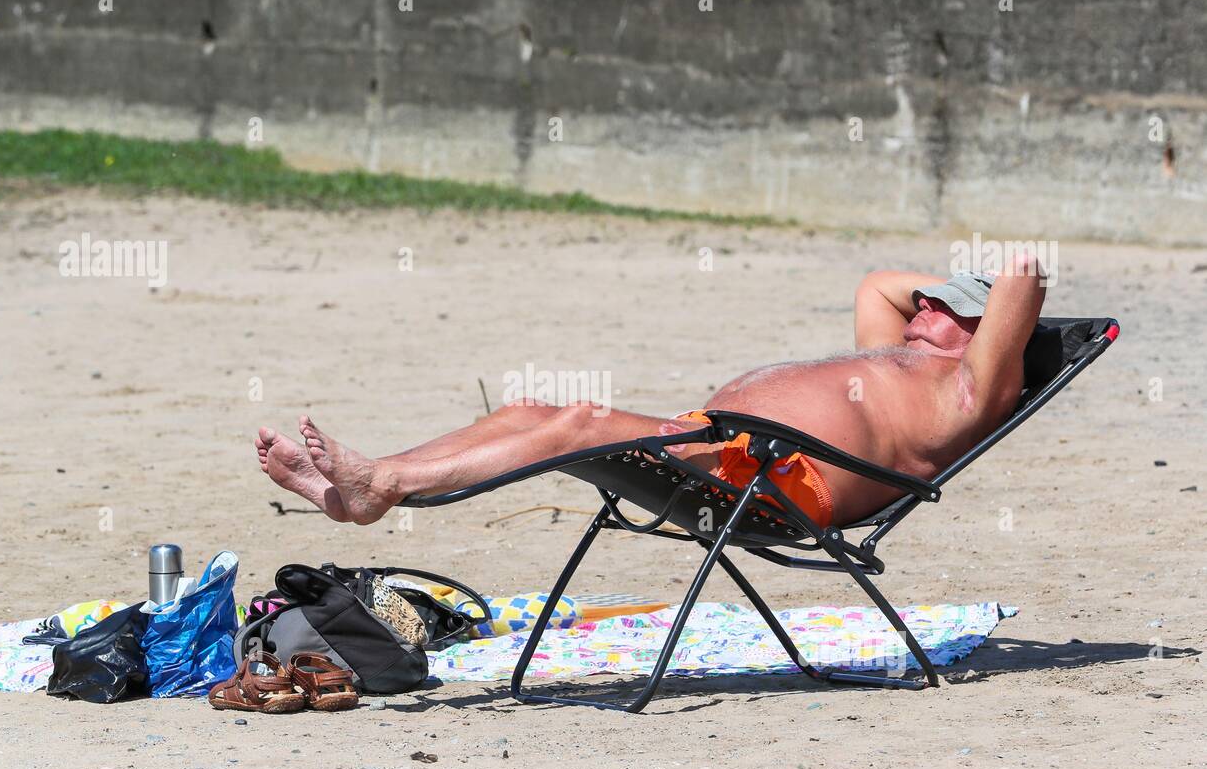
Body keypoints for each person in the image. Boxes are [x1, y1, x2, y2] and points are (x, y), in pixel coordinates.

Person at [255, 255, 1046, 527]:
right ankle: (369, 484)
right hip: (726, 450)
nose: (924, 309)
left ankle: (383, 484)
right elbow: (879, 284)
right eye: (929, 298)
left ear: (991, 339)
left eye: (949, 309)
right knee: (531, 409)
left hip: (775, 480)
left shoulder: (968, 393)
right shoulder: (904, 356)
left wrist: (986, 320)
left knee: (577, 421)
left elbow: (1024, 275)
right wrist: (947, 299)